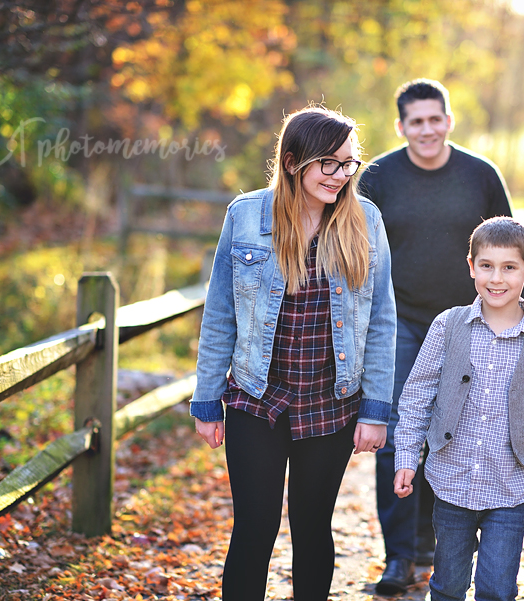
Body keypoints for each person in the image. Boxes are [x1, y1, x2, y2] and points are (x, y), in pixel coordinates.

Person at [190, 106, 396, 601]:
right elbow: (220, 314)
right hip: (256, 399)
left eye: (348, 163)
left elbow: (382, 320)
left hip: (331, 404)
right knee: (254, 527)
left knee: (312, 526)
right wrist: (206, 399)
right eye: (329, 163)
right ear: (291, 162)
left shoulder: (365, 220)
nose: (341, 175)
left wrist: (375, 409)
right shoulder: (245, 216)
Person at [358, 78, 513, 594]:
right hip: (398, 321)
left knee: (452, 433)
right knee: (397, 433)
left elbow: (507, 247)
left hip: (465, 323)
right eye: (415, 121)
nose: (426, 129)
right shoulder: (377, 177)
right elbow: (354, 247)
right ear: (401, 126)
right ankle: (399, 556)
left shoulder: (480, 175)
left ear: (448, 120)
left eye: (434, 119)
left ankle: (433, 544)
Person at [393, 216, 524, 601]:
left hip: (508, 490)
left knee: (497, 590)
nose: (496, 278)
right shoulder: (448, 325)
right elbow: (417, 396)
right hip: (450, 483)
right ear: (471, 266)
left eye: (509, 267)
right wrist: (406, 455)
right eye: (487, 265)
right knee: (448, 586)